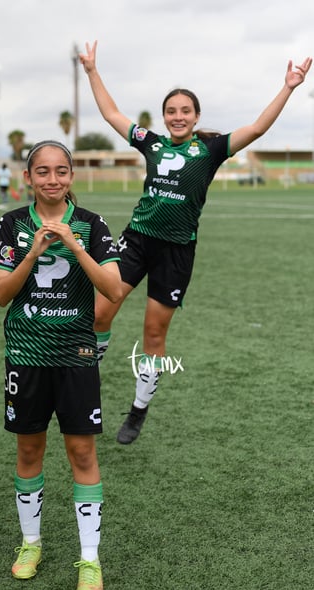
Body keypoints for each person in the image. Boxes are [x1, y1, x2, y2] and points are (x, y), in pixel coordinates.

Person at [80, 41, 312, 445]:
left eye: (185, 111)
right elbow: (112, 114)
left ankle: (137, 411)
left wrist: (289, 87)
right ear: (165, 116)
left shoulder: (210, 149)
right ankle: (84, 392)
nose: (178, 116)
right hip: (136, 241)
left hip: (176, 251)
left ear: (196, 116)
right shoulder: (150, 142)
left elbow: (257, 128)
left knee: (154, 335)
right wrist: (91, 71)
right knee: (99, 315)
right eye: (171, 111)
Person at [0, 140, 121, 590]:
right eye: (42, 172)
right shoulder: (11, 224)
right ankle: (31, 544)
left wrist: (73, 246)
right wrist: (34, 250)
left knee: (82, 455)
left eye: (61, 171)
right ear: (28, 178)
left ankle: (90, 560)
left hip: (76, 356)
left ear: (71, 177)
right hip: (25, 356)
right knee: (29, 452)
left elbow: (114, 289)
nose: (52, 179)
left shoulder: (91, 224)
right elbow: (1, 295)